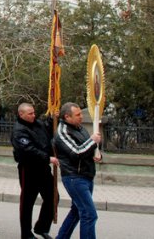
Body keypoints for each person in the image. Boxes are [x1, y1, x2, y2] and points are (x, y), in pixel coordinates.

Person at [53, 102, 102, 239]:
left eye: (81, 113)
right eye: (78, 114)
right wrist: (92, 141)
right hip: (74, 177)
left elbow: (86, 149)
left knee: (76, 212)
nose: (81, 117)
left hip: (86, 175)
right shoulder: (62, 132)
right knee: (89, 214)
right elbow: (76, 152)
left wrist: (96, 154)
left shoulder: (79, 128)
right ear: (67, 117)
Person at [11, 103, 59, 239]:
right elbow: (28, 149)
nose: (33, 115)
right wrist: (48, 158)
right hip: (29, 169)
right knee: (27, 202)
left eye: (33, 112)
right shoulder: (19, 130)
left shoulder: (37, 123)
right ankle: (26, 233)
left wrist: (52, 119)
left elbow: (47, 130)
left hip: (43, 168)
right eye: (30, 113)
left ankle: (41, 227)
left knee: (53, 197)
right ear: (21, 114)